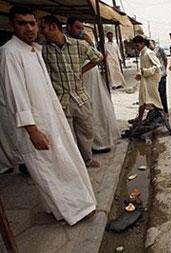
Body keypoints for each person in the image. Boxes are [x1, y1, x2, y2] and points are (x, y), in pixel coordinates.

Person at [0, 6, 96, 225]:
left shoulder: (34, 50)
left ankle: (64, 208)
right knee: (49, 169)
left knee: (61, 163)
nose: (29, 28)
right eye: (22, 23)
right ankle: (75, 210)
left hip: (51, 118)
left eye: (32, 23)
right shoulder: (10, 52)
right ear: (11, 25)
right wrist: (32, 130)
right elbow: (15, 95)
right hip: (35, 125)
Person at [40, 15, 102, 168]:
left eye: (43, 28)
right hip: (60, 100)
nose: (40, 32)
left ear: (53, 27)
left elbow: (99, 57)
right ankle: (74, 164)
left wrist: (82, 70)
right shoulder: (43, 50)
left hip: (80, 97)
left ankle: (87, 159)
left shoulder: (78, 45)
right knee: (67, 136)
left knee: (86, 132)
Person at [66, 17, 119, 153]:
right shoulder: (66, 43)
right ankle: (89, 146)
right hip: (80, 82)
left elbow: (98, 58)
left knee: (98, 108)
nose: (81, 31)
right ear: (69, 27)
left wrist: (90, 43)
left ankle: (101, 142)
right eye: (78, 27)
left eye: (82, 28)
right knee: (85, 112)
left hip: (92, 79)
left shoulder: (85, 41)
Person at [131, 35, 162, 122]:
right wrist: (140, 74)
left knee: (154, 100)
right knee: (142, 99)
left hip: (151, 81)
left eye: (137, 46)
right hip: (145, 80)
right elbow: (143, 67)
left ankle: (161, 117)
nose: (137, 48)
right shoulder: (142, 54)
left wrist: (145, 72)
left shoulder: (149, 53)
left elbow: (158, 66)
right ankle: (139, 118)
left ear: (142, 44)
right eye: (135, 46)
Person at [149, 40, 169, 116]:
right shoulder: (148, 52)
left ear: (153, 44)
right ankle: (158, 112)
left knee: (162, 94)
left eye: (150, 44)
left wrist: (164, 69)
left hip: (162, 75)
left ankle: (165, 111)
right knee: (156, 95)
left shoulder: (159, 49)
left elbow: (165, 59)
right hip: (154, 76)